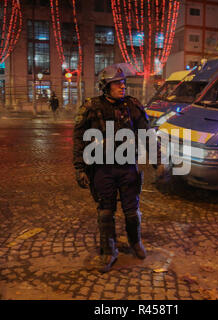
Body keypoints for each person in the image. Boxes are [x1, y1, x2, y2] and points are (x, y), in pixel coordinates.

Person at [73, 66, 160, 273]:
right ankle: (108, 251)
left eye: (123, 82)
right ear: (105, 86)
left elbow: (146, 134)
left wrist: (158, 159)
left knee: (132, 212)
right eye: (117, 83)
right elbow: (79, 140)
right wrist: (80, 168)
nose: (122, 86)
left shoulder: (132, 106)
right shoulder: (91, 108)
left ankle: (135, 241)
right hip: (102, 169)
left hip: (128, 167)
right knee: (105, 212)